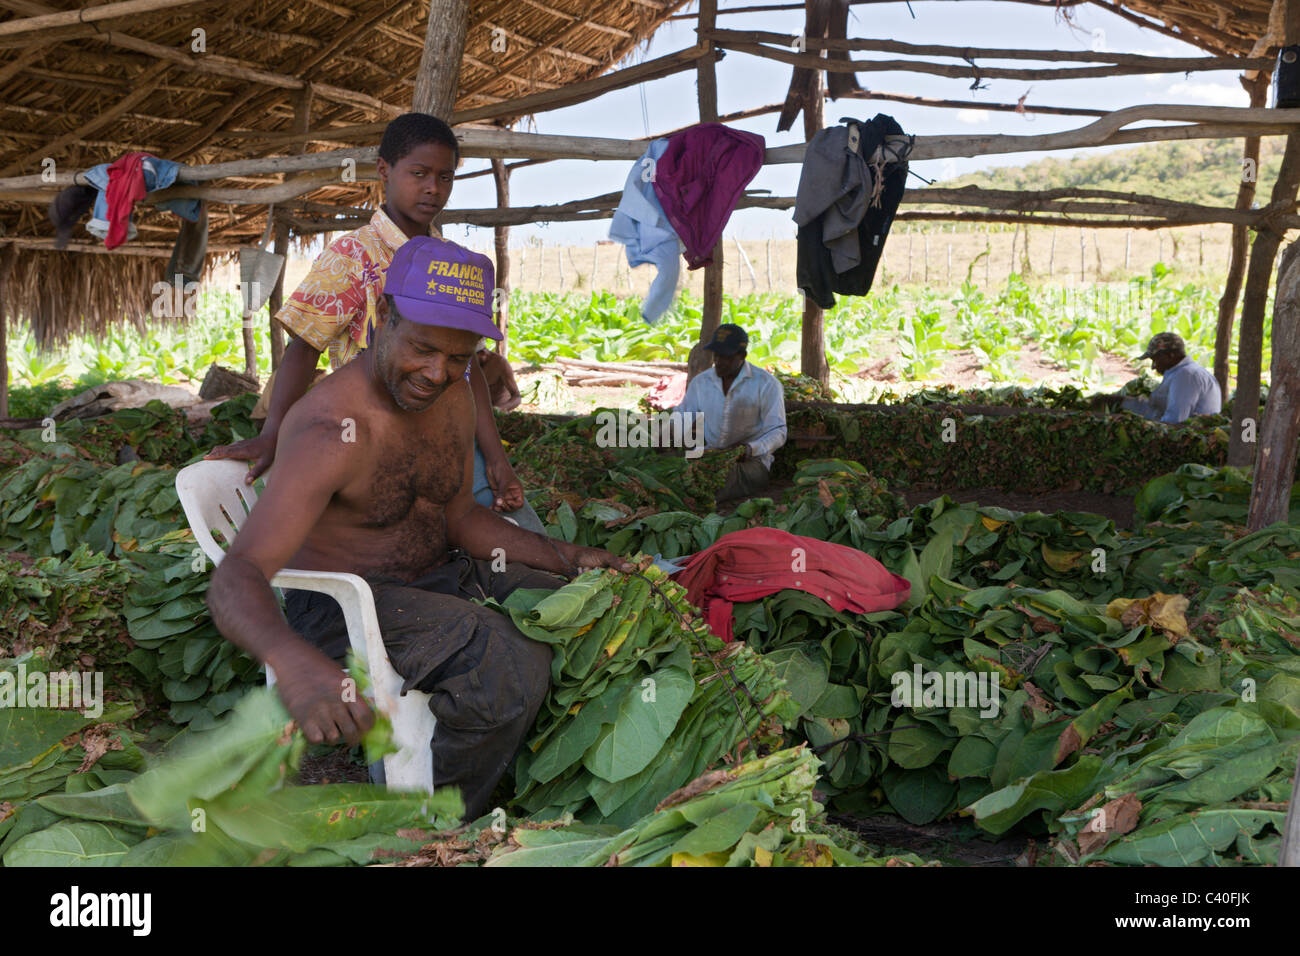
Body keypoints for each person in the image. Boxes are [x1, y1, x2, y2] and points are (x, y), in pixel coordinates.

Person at [206, 236, 629, 820]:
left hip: (441, 576)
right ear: (383, 317)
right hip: (345, 609)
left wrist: (565, 556)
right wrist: (293, 662)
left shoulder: (452, 397)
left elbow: (460, 518)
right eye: (424, 349)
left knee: (591, 608)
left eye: (460, 358)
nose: (437, 373)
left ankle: (503, 768)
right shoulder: (331, 429)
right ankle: (439, 827)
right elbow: (238, 576)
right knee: (504, 664)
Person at [206, 112, 544, 534]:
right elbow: (304, 347)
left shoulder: (451, 263)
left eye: (445, 177)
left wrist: (496, 458)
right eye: (418, 173)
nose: (432, 188)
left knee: (518, 539)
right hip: (372, 439)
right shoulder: (353, 256)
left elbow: (467, 369)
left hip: (448, 439)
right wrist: (274, 434)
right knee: (407, 551)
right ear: (384, 170)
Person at [674, 323, 787, 501]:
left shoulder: (766, 384)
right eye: (716, 355)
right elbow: (683, 416)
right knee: (676, 472)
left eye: (725, 357)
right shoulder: (701, 382)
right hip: (711, 455)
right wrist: (665, 433)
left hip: (752, 462)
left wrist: (750, 449)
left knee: (714, 483)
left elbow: (778, 431)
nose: (718, 361)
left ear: (742, 356)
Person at [1112, 332, 1221, 424]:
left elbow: (1173, 422)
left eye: (1155, 360)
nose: (1153, 366)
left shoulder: (1186, 376)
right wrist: (1122, 402)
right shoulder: (1184, 373)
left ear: (1171, 355)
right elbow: (1157, 411)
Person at [477, 346, 522, 411]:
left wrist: (498, 409)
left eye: (471, 358)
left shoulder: (500, 363)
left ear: (482, 354)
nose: (469, 361)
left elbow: (517, 397)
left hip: (498, 413)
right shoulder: (468, 365)